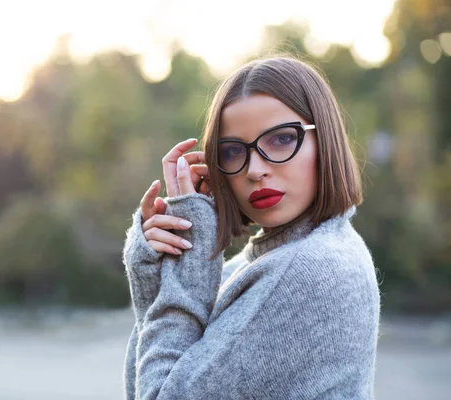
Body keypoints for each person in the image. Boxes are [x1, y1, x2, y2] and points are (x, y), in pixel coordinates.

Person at [122, 56, 381, 399]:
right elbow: (146, 380)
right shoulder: (256, 265)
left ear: (326, 140)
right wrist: (161, 267)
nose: (255, 169)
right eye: (232, 151)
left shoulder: (311, 269)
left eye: (281, 139)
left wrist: (191, 262)